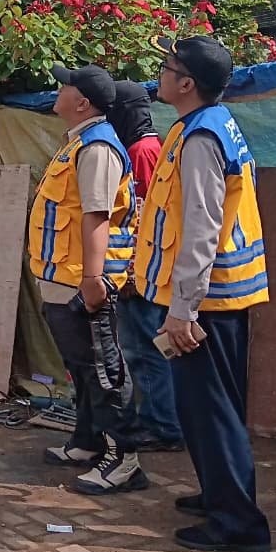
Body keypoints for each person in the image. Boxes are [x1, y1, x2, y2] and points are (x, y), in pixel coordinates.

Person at [135, 36, 271, 552]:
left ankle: (238, 525)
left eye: (166, 67)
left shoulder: (200, 138)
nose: (160, 75)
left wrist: (182, 310)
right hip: (217, 296)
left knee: (213, 414)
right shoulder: (205, 124)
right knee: (209, 411)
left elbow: (201, 228)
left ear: (186, 83)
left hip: (206, 302)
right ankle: (220, 495)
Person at [29, 64, 145, 495]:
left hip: (84, 282)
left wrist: (94, 278)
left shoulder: (97, 148)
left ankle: (124, 461)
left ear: (82, 103)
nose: (57, 90)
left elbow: (97, 216)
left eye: (65, 86)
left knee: (104, 372)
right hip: (63, 278)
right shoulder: (76, 143)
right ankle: (87, 441)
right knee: (81, 368)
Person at [110, 80, 183, 453]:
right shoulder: (150, 147)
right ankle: (156, 419)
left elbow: (144, 218)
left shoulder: (142, 152)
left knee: (146, 348)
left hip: (145, 273)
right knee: (144, 346)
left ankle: (163, 426)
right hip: (150, 269)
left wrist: (132, 273)